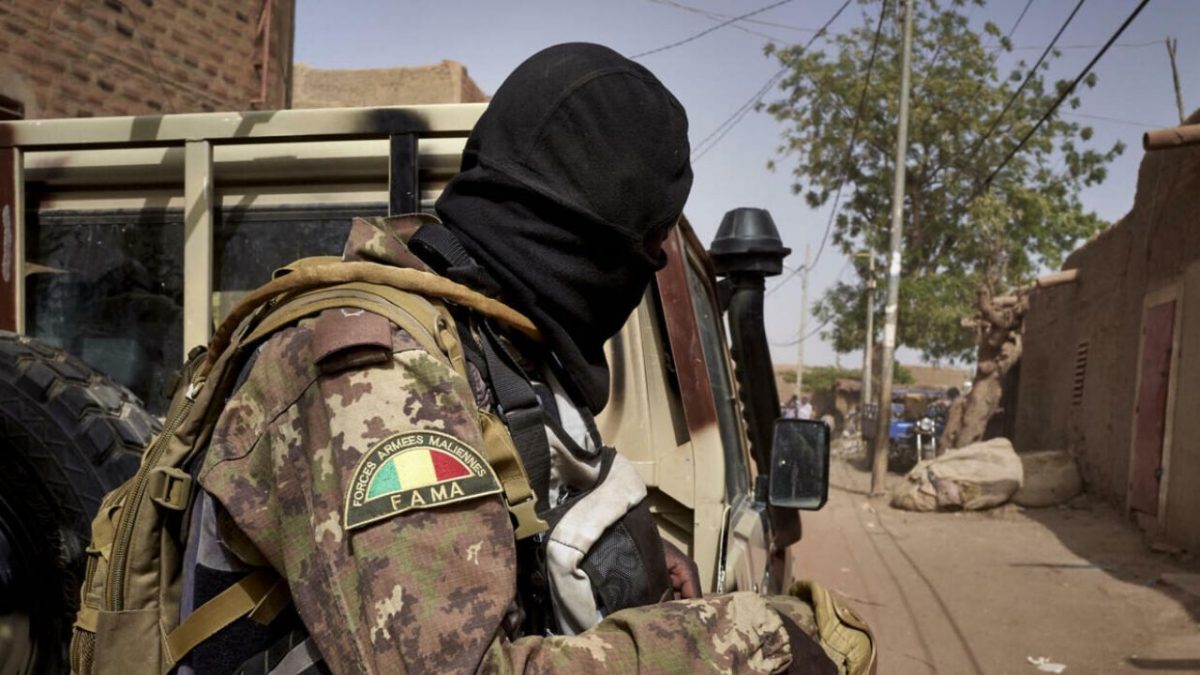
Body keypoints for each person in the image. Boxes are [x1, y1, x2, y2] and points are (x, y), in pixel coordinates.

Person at [186, 43, 860, 674]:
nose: (648, 266)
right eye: (648, 245)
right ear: (589, 239)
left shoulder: (490, 337)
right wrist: (734, 643)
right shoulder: (380, 375)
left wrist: (642, 563)